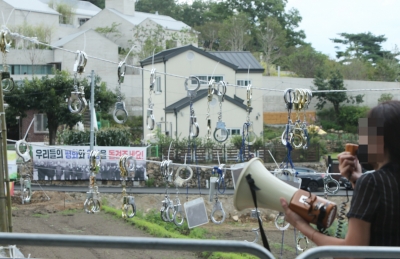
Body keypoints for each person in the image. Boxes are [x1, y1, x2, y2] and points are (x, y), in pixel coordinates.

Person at [280, 100, 400, 250]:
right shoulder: (372, 182)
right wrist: (357, 181)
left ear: (378, 141)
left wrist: (301, 225)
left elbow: (351, 252)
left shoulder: (372, 182)